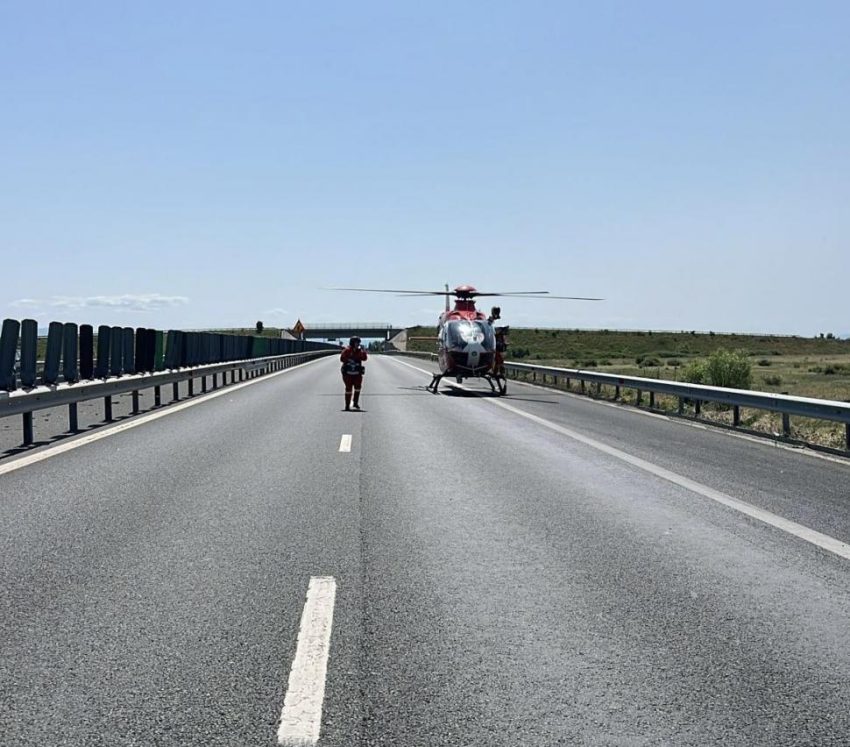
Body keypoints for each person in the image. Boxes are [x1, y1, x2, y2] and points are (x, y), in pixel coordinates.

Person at [340, 336, 368, 410]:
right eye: (357, 342)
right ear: (352, 343)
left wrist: (363, 350)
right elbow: (342, 358)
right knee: (348, 389)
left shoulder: (360, 351)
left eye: (358, 343)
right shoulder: (347, 350)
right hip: (348, 373)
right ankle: (347, 405)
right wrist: (350, 359)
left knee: (358, 388)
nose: (358, 344)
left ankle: (355, 402)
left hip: (357, 373)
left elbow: (364, 358)